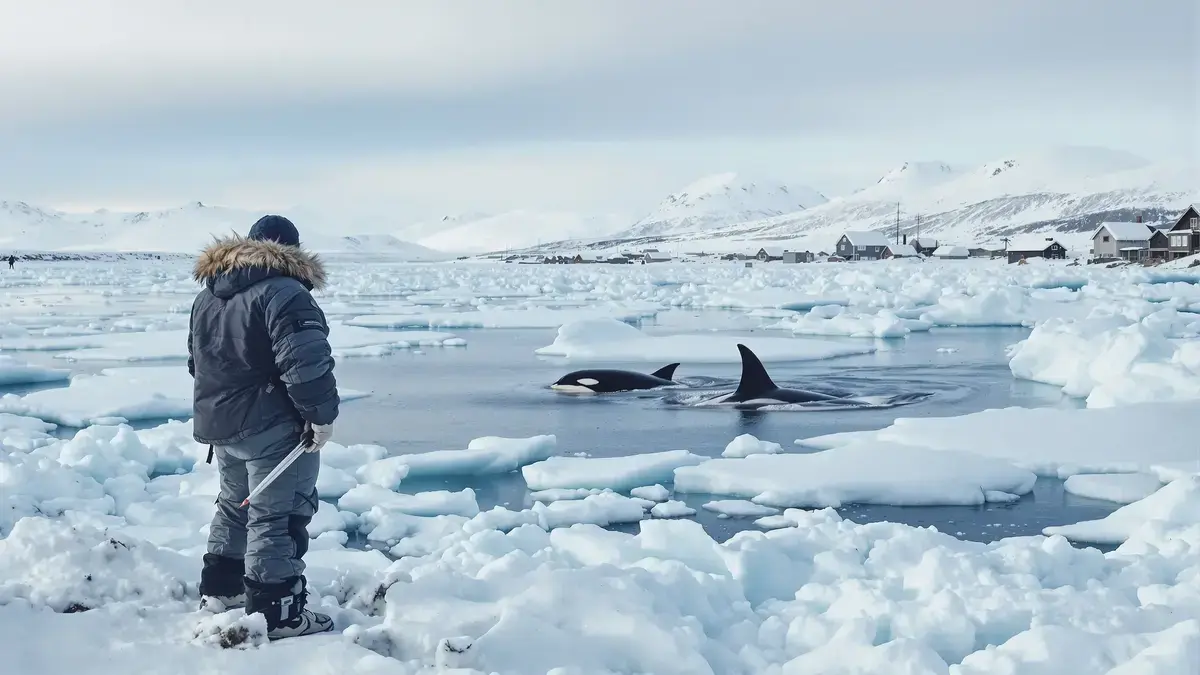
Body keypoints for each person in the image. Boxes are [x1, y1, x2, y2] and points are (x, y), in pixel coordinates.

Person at [188, 215, 339, 639]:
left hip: (222, 425)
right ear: (293, 250)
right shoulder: (287, 293)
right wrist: (320, 416)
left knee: (233, 506)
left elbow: (197, 364)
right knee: (278, 514)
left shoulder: (208, 295)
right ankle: (278, 612)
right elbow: (306, 363)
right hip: (273, 428)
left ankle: (222, 589)